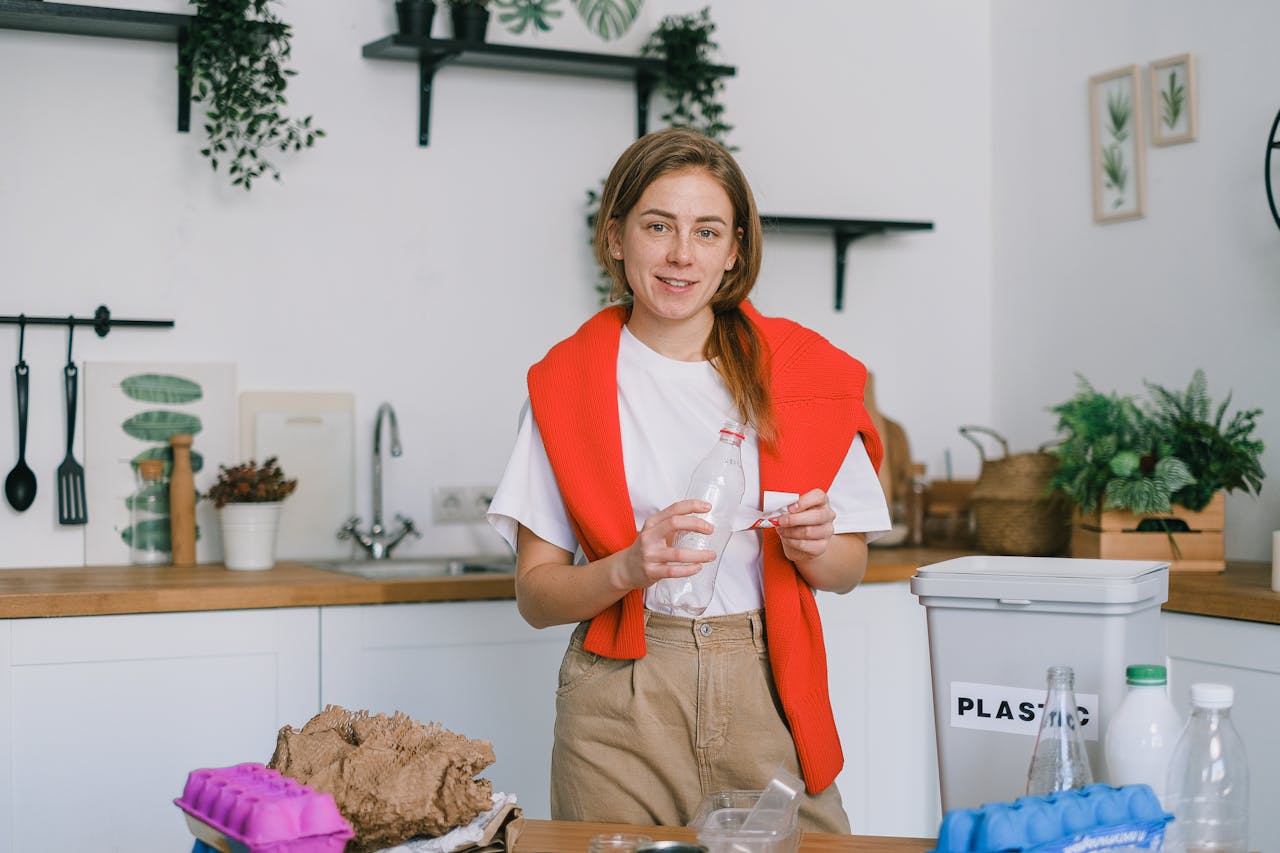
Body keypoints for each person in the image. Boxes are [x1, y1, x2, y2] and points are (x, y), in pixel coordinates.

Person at [487, 127, 890, 833]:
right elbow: (535, 595)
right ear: (616, 238)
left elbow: (847, 568)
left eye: (707, 232)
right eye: (657, 226)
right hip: (619, 702)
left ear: (734, 250)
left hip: (767, 684)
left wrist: (812, 546)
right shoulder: (567, 385)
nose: (681, 254)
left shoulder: (802, 374)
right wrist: (628, 566)